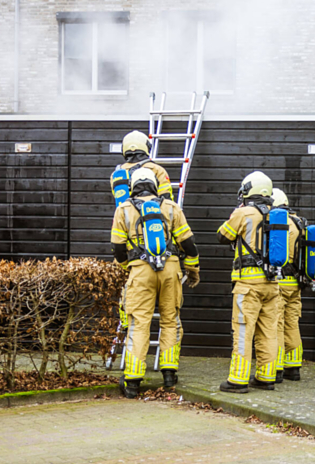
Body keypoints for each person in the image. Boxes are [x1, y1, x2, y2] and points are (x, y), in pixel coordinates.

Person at [111, 168, 200, 398]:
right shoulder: (171, 207)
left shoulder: (124, 209)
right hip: (170, 268)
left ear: (132, 186)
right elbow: (189, 245)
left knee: (139, 324)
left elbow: (118, 249)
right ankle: (169, 375)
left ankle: (132, 382)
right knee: (170, 321)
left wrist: (128, 268)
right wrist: (192, 269)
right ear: (154, 185)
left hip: (141, 271)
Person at [216, 171, 280, 393]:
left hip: (248, 285)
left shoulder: (243, 213)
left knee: (243, 330)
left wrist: (234, 215)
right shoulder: (278, 215)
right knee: (269, 331)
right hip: (273, 285)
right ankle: (266, 376)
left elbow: (223, 235)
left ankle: (238, 380)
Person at [272, 188, 305, 382]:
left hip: (280, 281)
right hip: (296, 282)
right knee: (292, 323)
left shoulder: (280, 223)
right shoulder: (299, 222)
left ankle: (276, 368)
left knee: (276, 324)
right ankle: (294, 367)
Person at [113, 130, 174, 201]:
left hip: (127, 211)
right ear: (147, 146)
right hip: (152, 210)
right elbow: (166, 196)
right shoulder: (157, 169)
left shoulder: (117, 173)